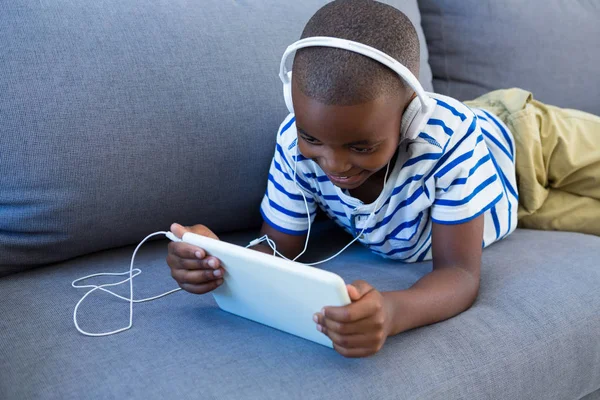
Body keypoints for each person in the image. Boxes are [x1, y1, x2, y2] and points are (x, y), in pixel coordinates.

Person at [166, 0, 600, 358]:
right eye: (312, 137)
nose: (333, 165)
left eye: (360, 147)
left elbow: (460, 275)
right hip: (513, 207)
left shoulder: (446, 140)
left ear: (410, 117)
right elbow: (280, 248)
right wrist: (221, 260)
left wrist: (392, 311)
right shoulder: (293, 148)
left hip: (527, 139)